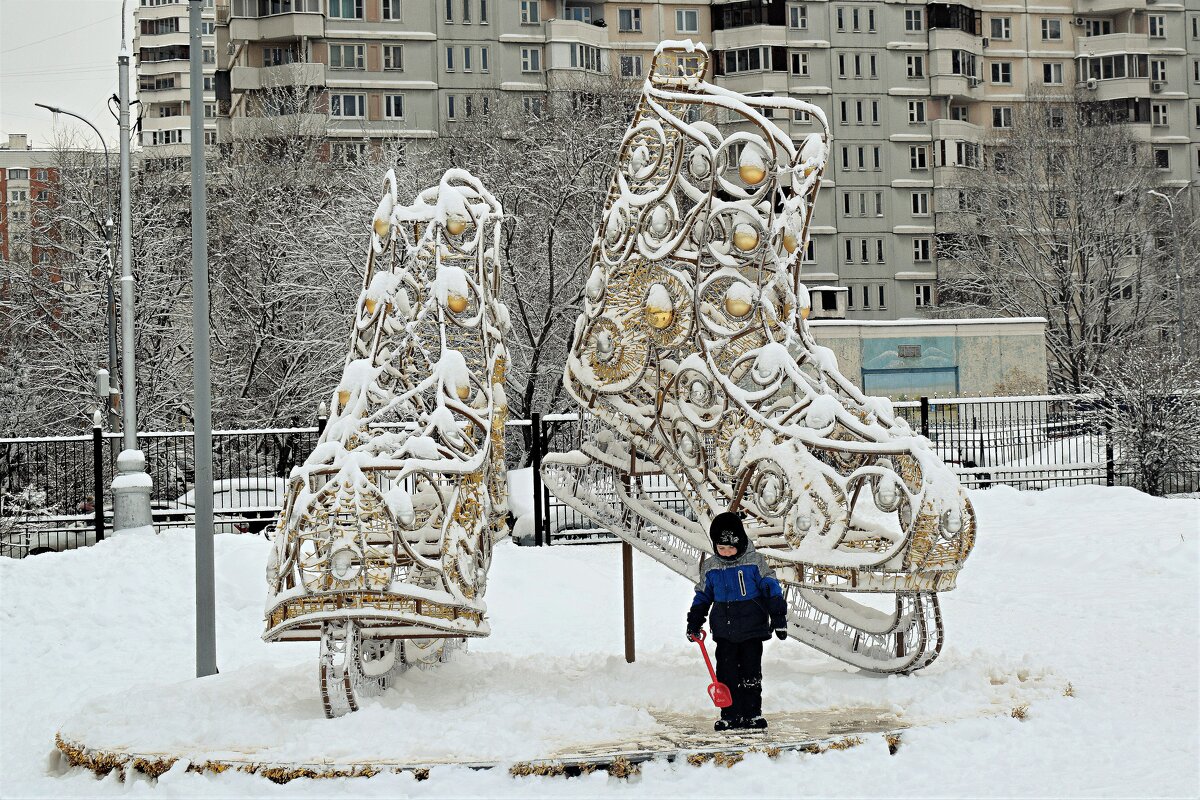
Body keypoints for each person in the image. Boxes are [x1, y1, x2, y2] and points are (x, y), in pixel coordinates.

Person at [686, 510, 787, 731]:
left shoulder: (754, 562)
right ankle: (730, 714)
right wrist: (695, 620)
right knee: (726, 673)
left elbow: (771, 588)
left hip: (752, 629)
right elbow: (703, 595)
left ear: (741, 542)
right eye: (721, 548)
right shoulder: (711, 566)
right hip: (724, 631)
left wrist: (778, 616)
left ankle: (752, 713)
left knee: (751, 674)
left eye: (731, 547)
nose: (727, 552)